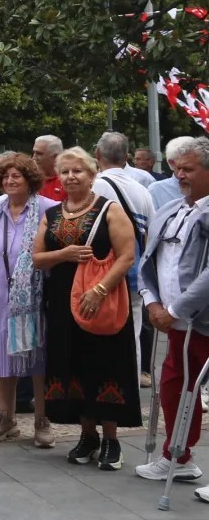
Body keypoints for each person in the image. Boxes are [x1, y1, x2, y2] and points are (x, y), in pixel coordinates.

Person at [33, 146, 140, 471]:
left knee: (104, 363)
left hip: (101, 299)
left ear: (92, 175)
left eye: (77, 170)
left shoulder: (109, 209)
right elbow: (36, 258)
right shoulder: (51, 214)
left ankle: (111, 440)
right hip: (63, 302)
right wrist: (64, 255)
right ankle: (87, 434)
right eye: (65, 171)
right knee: (72, 363)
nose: (70, 176)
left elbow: (126, 255)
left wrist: (100, 289)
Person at [136, 136, 209, 483]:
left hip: (200, 319)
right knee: (175, 388)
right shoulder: (170, 209)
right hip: (175, 322)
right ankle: (178, 455)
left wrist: (177, 308)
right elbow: (149, 262)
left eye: (189, 169)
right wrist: (151, 301)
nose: (180, 175)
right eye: (177, 168)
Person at [0, 152, 56, 447]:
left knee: (36, 355)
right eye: (5, 176)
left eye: (16, 176)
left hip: (33, 296)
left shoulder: (47, 208)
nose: (9, 181)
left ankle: (42, 420)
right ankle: (5, 417)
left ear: (29, 179)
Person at [92, 131, 154, 384]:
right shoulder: (143, 190)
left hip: (100, 273)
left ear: (97, 155)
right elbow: (150, 237)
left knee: (100, 330)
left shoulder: (94, 186)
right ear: (126, 157)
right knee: (133, 330)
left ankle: (104, 383)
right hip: (134, 274)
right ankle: (129, 382)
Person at [33, 135, 66, 202]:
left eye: (39, 154)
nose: (34, 157)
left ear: (55, 157)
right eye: (33, 152)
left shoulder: (67, 181)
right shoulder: (28, 179)